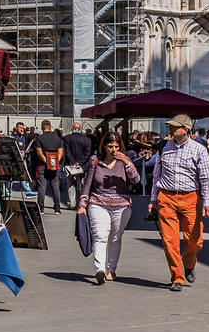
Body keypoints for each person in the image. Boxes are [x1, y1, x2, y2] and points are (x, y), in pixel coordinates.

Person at [149, 113, 209, 292]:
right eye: (170, 126)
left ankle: (188, 263)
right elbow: (157, 174)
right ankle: (177, 277)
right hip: (166, 197)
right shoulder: (163, 147)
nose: (169, 128)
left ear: (185, 130)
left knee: (195, 241)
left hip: (190, 198)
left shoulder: (198, 149)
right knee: (170, 241)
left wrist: (207, 202)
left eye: (174, 126)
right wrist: (153, 199)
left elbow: (206, 178)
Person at [76, 132, 138, 285]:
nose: (114, 149)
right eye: (110, 146)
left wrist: (127, 163)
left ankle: (111, 270)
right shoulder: (95, 160)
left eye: (116, 146)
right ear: (104, 146)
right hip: (98, 203)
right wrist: (82, 205)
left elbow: (135, 179)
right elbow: (88, 185)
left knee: (115, 238)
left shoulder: (124, 160)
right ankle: (100, 270)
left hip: (121, 205)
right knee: (100, 236)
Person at [33, 120, 67, 214]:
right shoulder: (57, 139)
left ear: (42, 127)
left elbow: (39, 153)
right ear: (50, 127)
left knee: (42, 187)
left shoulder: (39, 138)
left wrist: (46, 162)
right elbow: (61, 152)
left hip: (43, 164)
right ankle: (57, 208)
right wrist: (55, 162)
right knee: (55, 186)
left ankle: (41, 208)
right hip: (54, 164)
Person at [62, 120, 94, 209]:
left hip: (70, 165)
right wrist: (79, 162)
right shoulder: (87, 139)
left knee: (70, 184)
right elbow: (87, 153)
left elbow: (67, 152)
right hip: (82, 165)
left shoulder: (67, 138)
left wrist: (73, 162)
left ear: (72, 128)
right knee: (82, 184)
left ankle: (71, 203)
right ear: (80, 129)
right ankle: (82, 202)